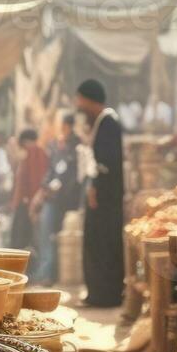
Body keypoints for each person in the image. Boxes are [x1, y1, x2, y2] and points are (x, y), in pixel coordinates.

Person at [76, 79, 125, 307]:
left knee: (103, 243)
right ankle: (98, 293)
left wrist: (94, 187)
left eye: (80, 99)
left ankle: (105, 295)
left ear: (88, 99)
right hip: (102, 194)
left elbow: (106, 162)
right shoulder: (102, 122)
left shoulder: (108, 122)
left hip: (105, 196)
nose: (78, 104)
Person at [30, 111, 81, 284]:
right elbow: (51, 170)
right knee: (47, 235)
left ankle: (53, 274)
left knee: (58, 237)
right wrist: (46, 186)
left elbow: (72, 175)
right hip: (52, 198)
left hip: (66, 200)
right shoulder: (56, 145)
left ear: (68, 126)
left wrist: (58, 189)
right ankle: (46, 274)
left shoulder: (76, 146)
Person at [8, 129, 49, 252]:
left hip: (27, 205)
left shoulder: (35, 153)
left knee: (22, 242)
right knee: (21, 241)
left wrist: (30, 202)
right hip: (24, 203)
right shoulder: (31, 153)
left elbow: (36, 179)